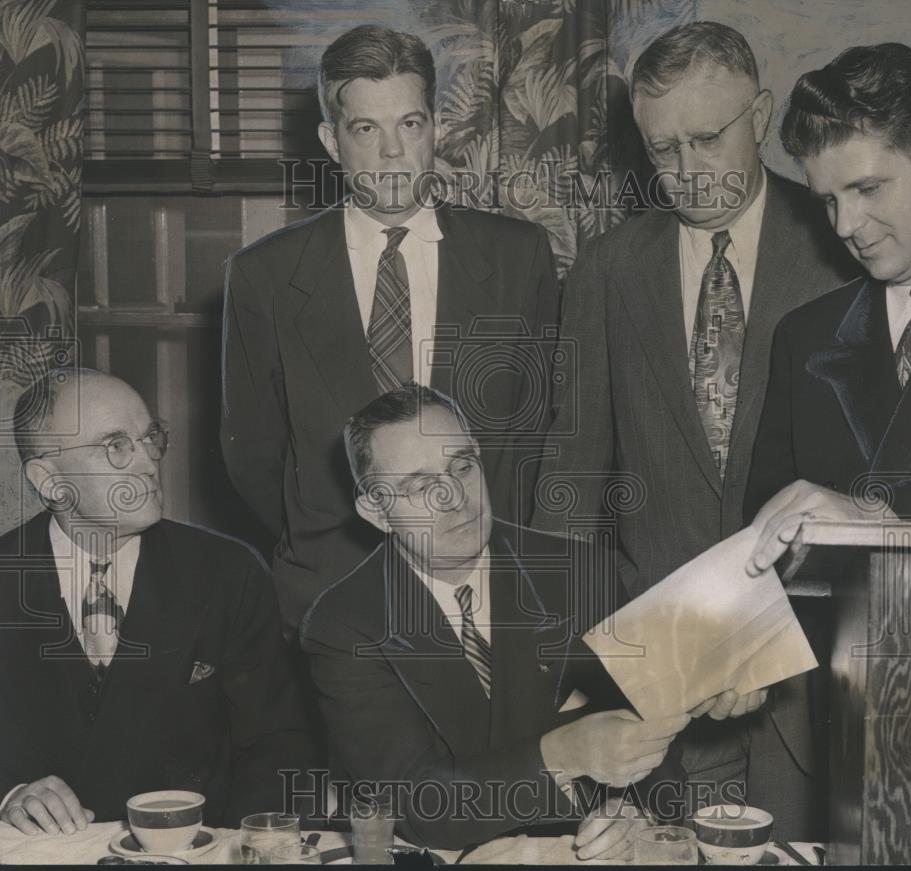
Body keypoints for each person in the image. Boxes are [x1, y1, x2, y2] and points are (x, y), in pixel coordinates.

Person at [532, 21, 856, 832]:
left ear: (761, 116)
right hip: (658, 684)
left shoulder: (844, 248)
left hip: (814, 681)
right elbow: (572, 479)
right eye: (662, 149)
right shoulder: (609, 269)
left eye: (707, 139)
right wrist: (572, 671)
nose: (686, 172)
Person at [301, 383, 765, 852]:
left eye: (461, 466)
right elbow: (417, 805)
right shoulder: (344, 625)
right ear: (376, 511)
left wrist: (634, 811)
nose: (454, 497)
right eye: (421, 486)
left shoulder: (582, 572)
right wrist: (562, 754)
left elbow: (652, 738)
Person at [221, 24, 559, 630]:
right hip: (330, 591)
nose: (393, 153)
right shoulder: (264, 276)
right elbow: (253, 455)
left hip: (484, 584)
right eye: (365, 129)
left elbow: (536, 435)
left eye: (410, 123)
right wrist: (335, 534)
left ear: (438, 127)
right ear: (331, 140)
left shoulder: (518, 257)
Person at [0, 369, 318, 833]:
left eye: (150, 438)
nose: (148, 461)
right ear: (49, 479)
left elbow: (278, 744)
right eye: (116, 446)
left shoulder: (228, 572)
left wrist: (242, 847)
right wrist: (9, 794)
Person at [745, 42, 911, 571]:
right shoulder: (803, 339)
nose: (844, 226)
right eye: (829, 200)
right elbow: (768, 554)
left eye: (867, 188)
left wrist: (885, 513)